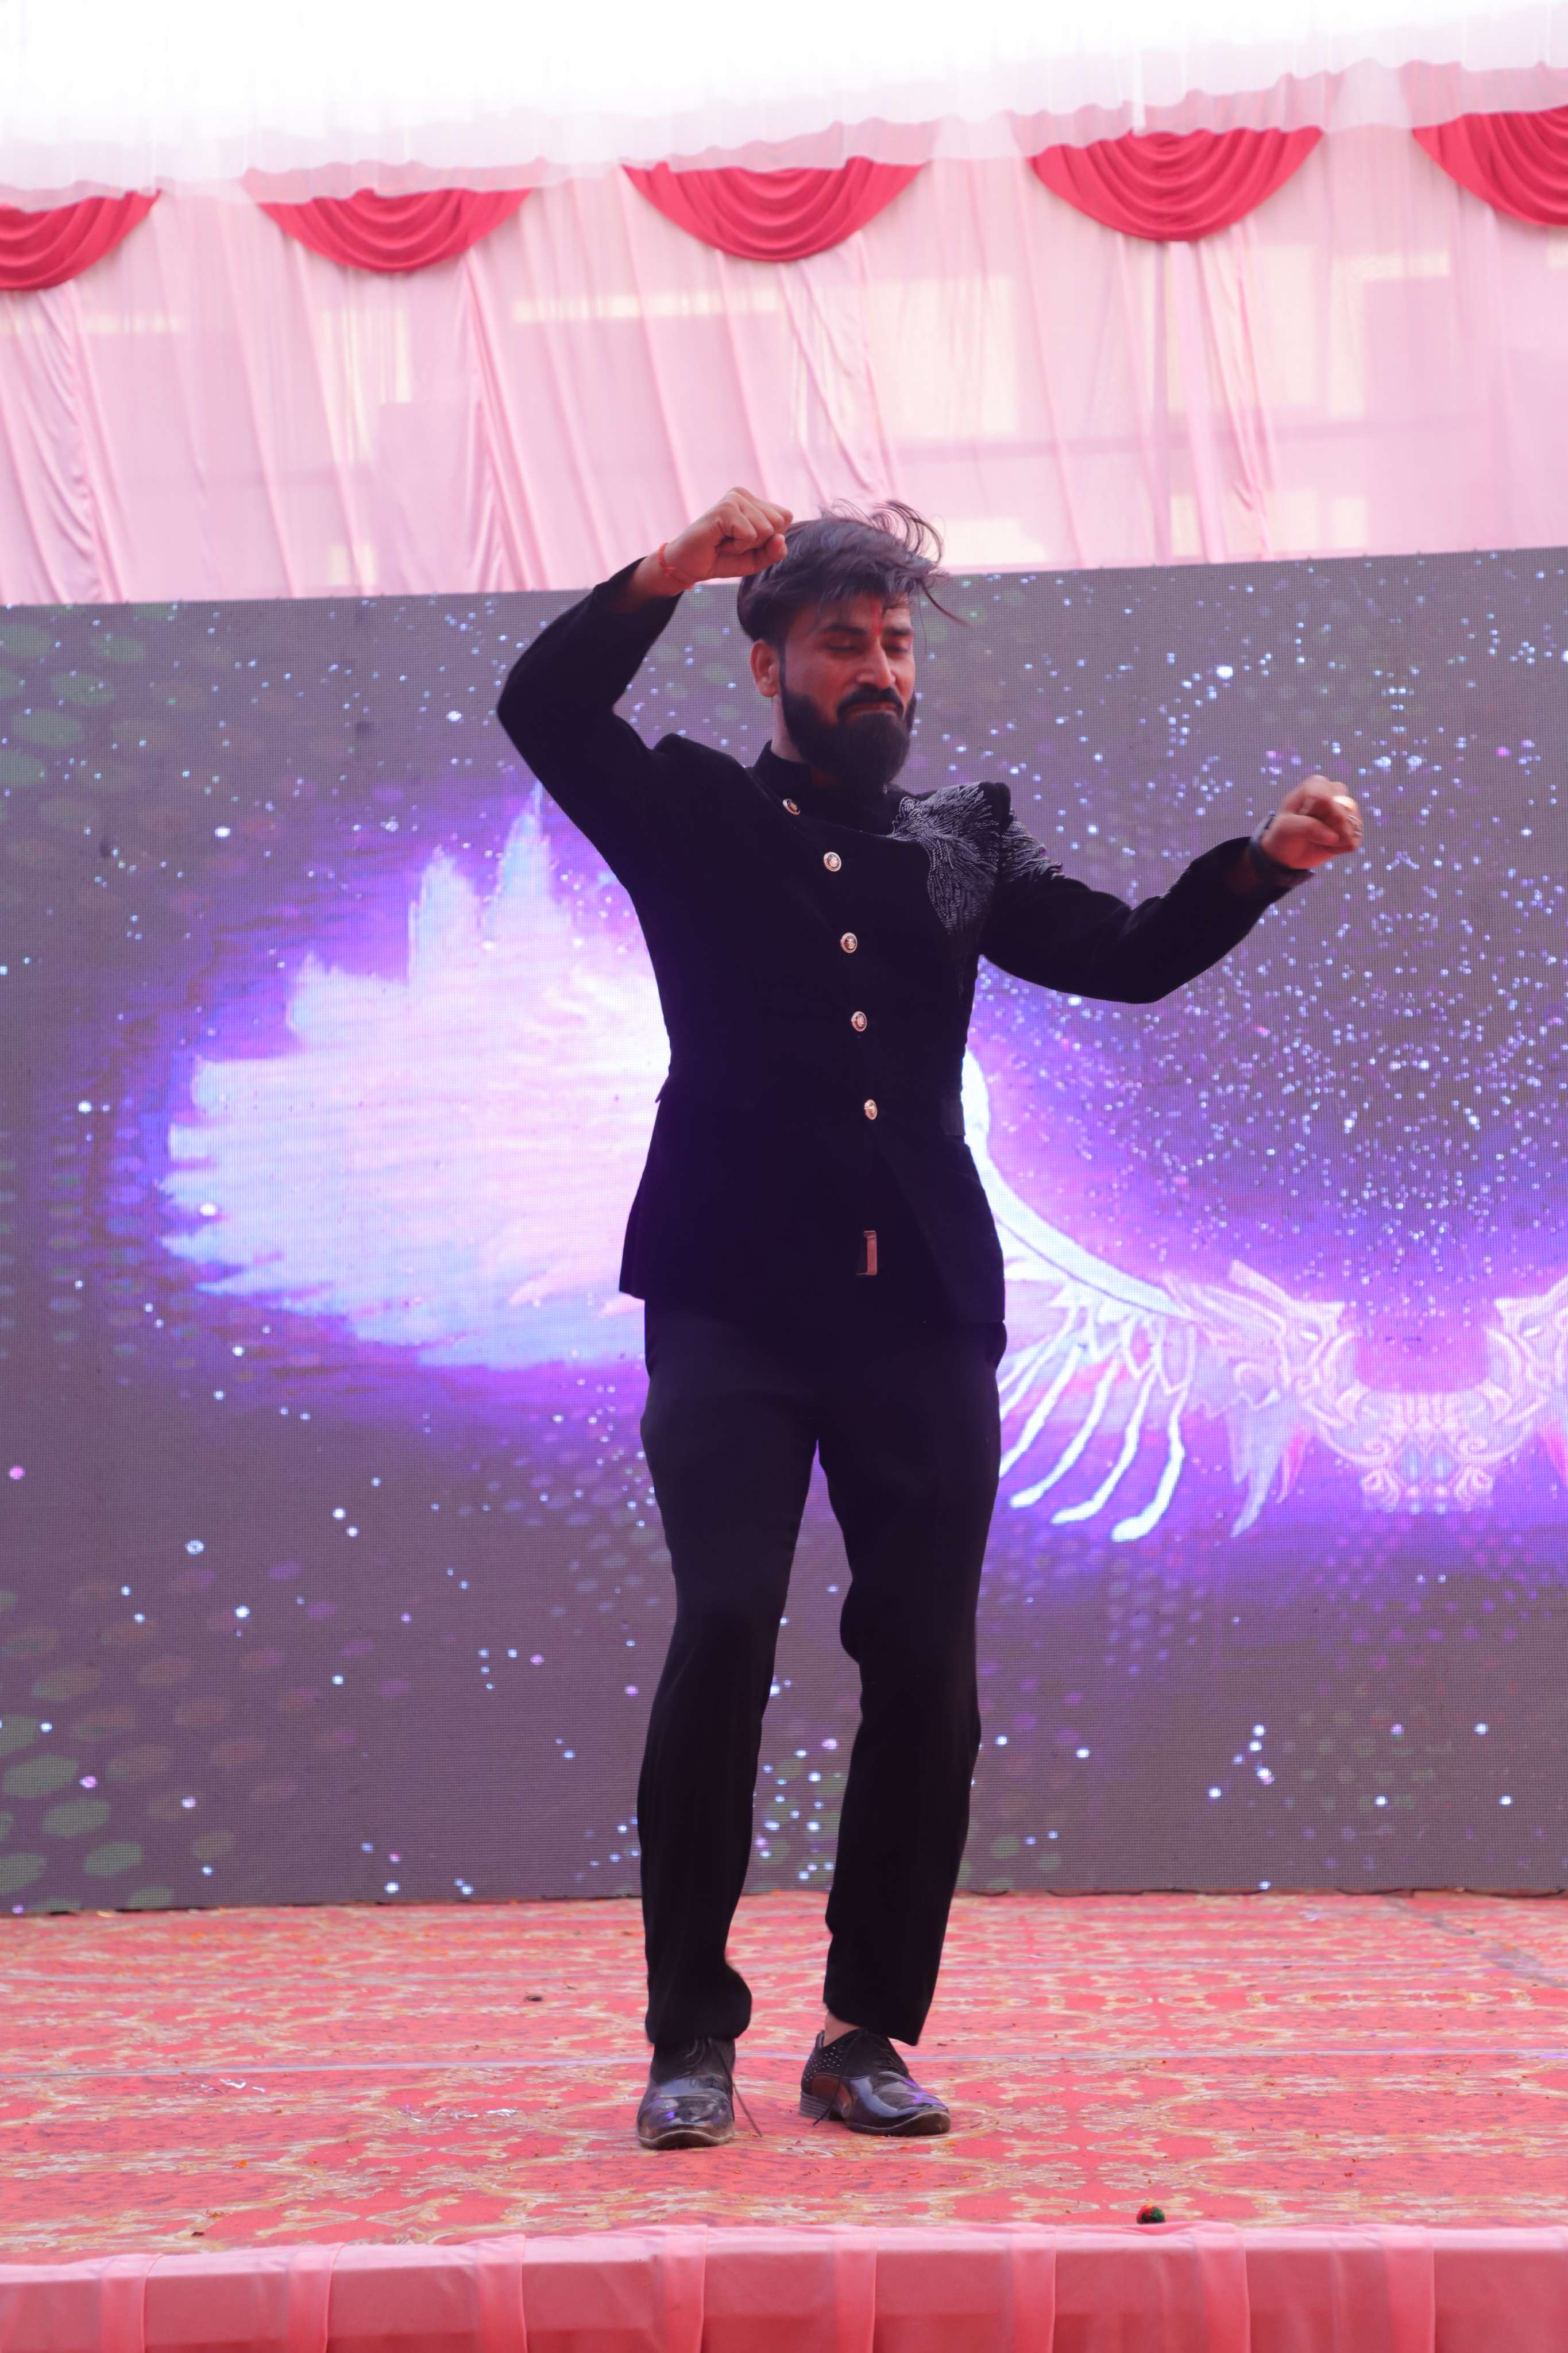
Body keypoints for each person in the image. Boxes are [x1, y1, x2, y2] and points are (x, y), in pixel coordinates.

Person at [496, 489, 1364, 2150]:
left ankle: (864, 2034)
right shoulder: (690, 807)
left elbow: (1123, 954)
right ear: (769, 665)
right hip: (730, 1299)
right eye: (845, 642)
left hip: (922, 1313)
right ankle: (690, 2037)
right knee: (724, 1624)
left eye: (896, 644)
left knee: (927, 1670)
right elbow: (542, 706)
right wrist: (667, 570)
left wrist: (1260, 869)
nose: (881, 670)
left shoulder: (961, 839)